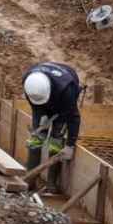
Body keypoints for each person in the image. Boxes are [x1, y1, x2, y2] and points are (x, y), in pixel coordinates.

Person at [23, 61, 83, 191]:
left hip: (62, 102)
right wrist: (41, 118)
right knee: (37, 137)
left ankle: (51, 184)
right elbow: (34, 104)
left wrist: (70, 145)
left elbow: (74, 118)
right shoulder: (29, 81)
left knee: (56, 139)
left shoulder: (68, 89)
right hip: (41, 101)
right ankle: (30, 179)